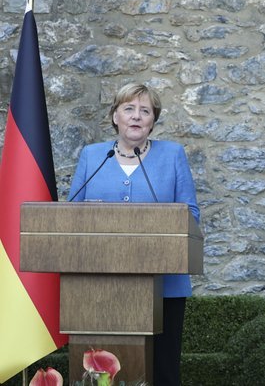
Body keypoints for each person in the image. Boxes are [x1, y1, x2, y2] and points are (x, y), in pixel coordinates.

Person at [68, 83, 199, 386]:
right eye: (128, 109)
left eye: (145, 111)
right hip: (98, 288)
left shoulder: (173, 155)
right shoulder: (92, 156)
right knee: (101, 373)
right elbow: (71, 218)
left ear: (153, 120)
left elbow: (190, 217)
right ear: (115, 116)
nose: (136, 116)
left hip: (164, 288)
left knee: (163, 372)